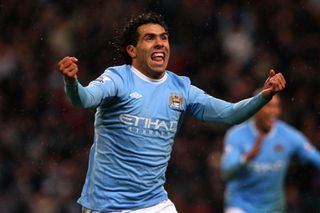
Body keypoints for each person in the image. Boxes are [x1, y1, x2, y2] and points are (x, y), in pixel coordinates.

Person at [57, 12, 285, 213]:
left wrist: (263, 96)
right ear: (132, 50)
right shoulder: (118, 78)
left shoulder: (181, 88)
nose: (159, 43)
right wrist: (71, 83)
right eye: (150, 38)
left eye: (163, 38)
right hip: (108, 206)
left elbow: (230, 114)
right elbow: (84, 99)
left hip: (154, 204)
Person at [221, 94, 320, 213]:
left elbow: (315, 157)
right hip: (241, 205)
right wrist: (247, 158)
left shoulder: (288, 135)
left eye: (277, 106)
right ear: (256, 108)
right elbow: (226, 173)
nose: (273, 111)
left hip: (273, 208)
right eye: (268, 106)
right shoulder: (236, 135)